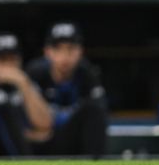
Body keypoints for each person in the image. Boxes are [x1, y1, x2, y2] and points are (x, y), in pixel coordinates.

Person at [26, 22, 108, 157]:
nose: (65, 56)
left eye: (70, 49)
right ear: (47, 52)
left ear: (80, 51)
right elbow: (26, 126)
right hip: (40, 148)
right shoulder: (35, 73)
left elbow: (99, 115)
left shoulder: (87, 73)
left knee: (93, 111)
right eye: (58, 49)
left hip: (72, 141)